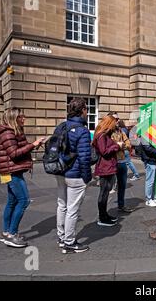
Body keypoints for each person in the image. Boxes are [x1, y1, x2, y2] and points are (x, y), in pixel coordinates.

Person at [0, 108, 45, 248]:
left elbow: (18, 150)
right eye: (21, 117)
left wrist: (33, 146)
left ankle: (6, 232)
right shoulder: (7, 133)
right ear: (13, 118)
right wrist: (33, 145)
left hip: (10, 171)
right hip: (12, 172)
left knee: (12, 202)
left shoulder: (12, 132)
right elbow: (14, 153)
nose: (24, 119)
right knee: (23, 201)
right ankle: (12, 234)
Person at [56, 98, 92, 254]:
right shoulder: (82, 130)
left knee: (62, 205)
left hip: (60, 171)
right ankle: (69, 242)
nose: (87, 112)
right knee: (72, 209)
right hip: (75, 174)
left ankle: (61, 236)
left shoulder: (62, 126)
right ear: (82, 110)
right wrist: (87, 177)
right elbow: (85, 157)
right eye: (86, 109)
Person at [93, 116, 121, 227]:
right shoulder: (101, 136)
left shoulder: (105, 135)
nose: (116, 125)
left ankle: (105, 215)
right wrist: (117, 146)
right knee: (104, 192)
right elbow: (104, 151)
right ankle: (102, 217)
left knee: (106, 192)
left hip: (108, 166)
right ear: (109, 123)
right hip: (104, 167)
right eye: (114, 123)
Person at [111, 116, 136, 214]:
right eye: (115, 119)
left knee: (122, 185)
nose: (118, 121)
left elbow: (128, 144)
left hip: (121, 161)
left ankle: (121, 205)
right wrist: (119, 145)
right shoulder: (107, 132)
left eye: (118, 119)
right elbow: (110, 146)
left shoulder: (121, 131)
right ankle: (103, 212)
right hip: (112, 162)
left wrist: (120, 145)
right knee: (107, 188)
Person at [137, 136, 156, 207]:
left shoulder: (151, 134)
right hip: (149, 159)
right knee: (150, 180)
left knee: (155, 180)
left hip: (153, 159)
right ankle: (148, 199)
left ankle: (154, 197)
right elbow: (147, 148)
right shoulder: (145, 136)